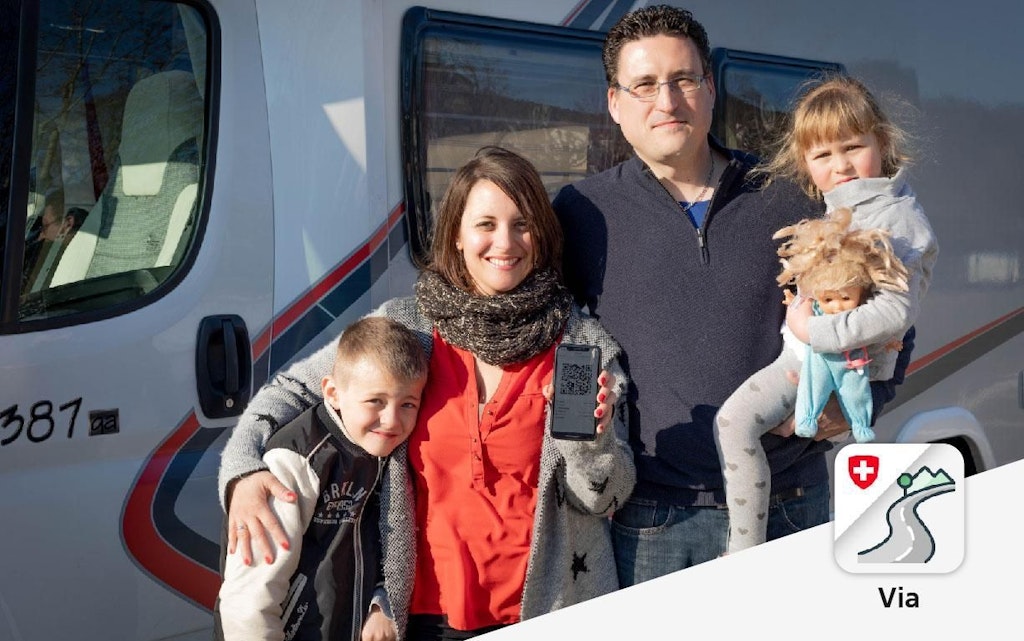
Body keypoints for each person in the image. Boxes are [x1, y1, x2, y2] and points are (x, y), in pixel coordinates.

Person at [551, 5, 914, 583]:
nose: (666, 102)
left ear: (710, 88)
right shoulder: (581, 211)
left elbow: (889, 307)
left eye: (683, 79)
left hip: (793, 504)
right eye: (644, 85)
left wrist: (853, 406)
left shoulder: (791, 196)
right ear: (614, 103)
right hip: (651, 519)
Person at [218, 146, 635, 640]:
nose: (505, 241)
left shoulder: (581, 346)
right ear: (457, 235)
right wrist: (243, 469)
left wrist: (593, 443)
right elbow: (290, 389)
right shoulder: (406, 327)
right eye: (485, 224)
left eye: (522, 224)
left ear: (541, 237)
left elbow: (605, 497)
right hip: (420, 618)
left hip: (547, 611)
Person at [215, 316, 429, 641]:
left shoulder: (387, 457)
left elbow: (384, 545)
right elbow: (248, 601)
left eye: (408, 404)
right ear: (332, 392)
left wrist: (380, 603)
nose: (391, 420)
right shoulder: (296, 462)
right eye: (375, 401)